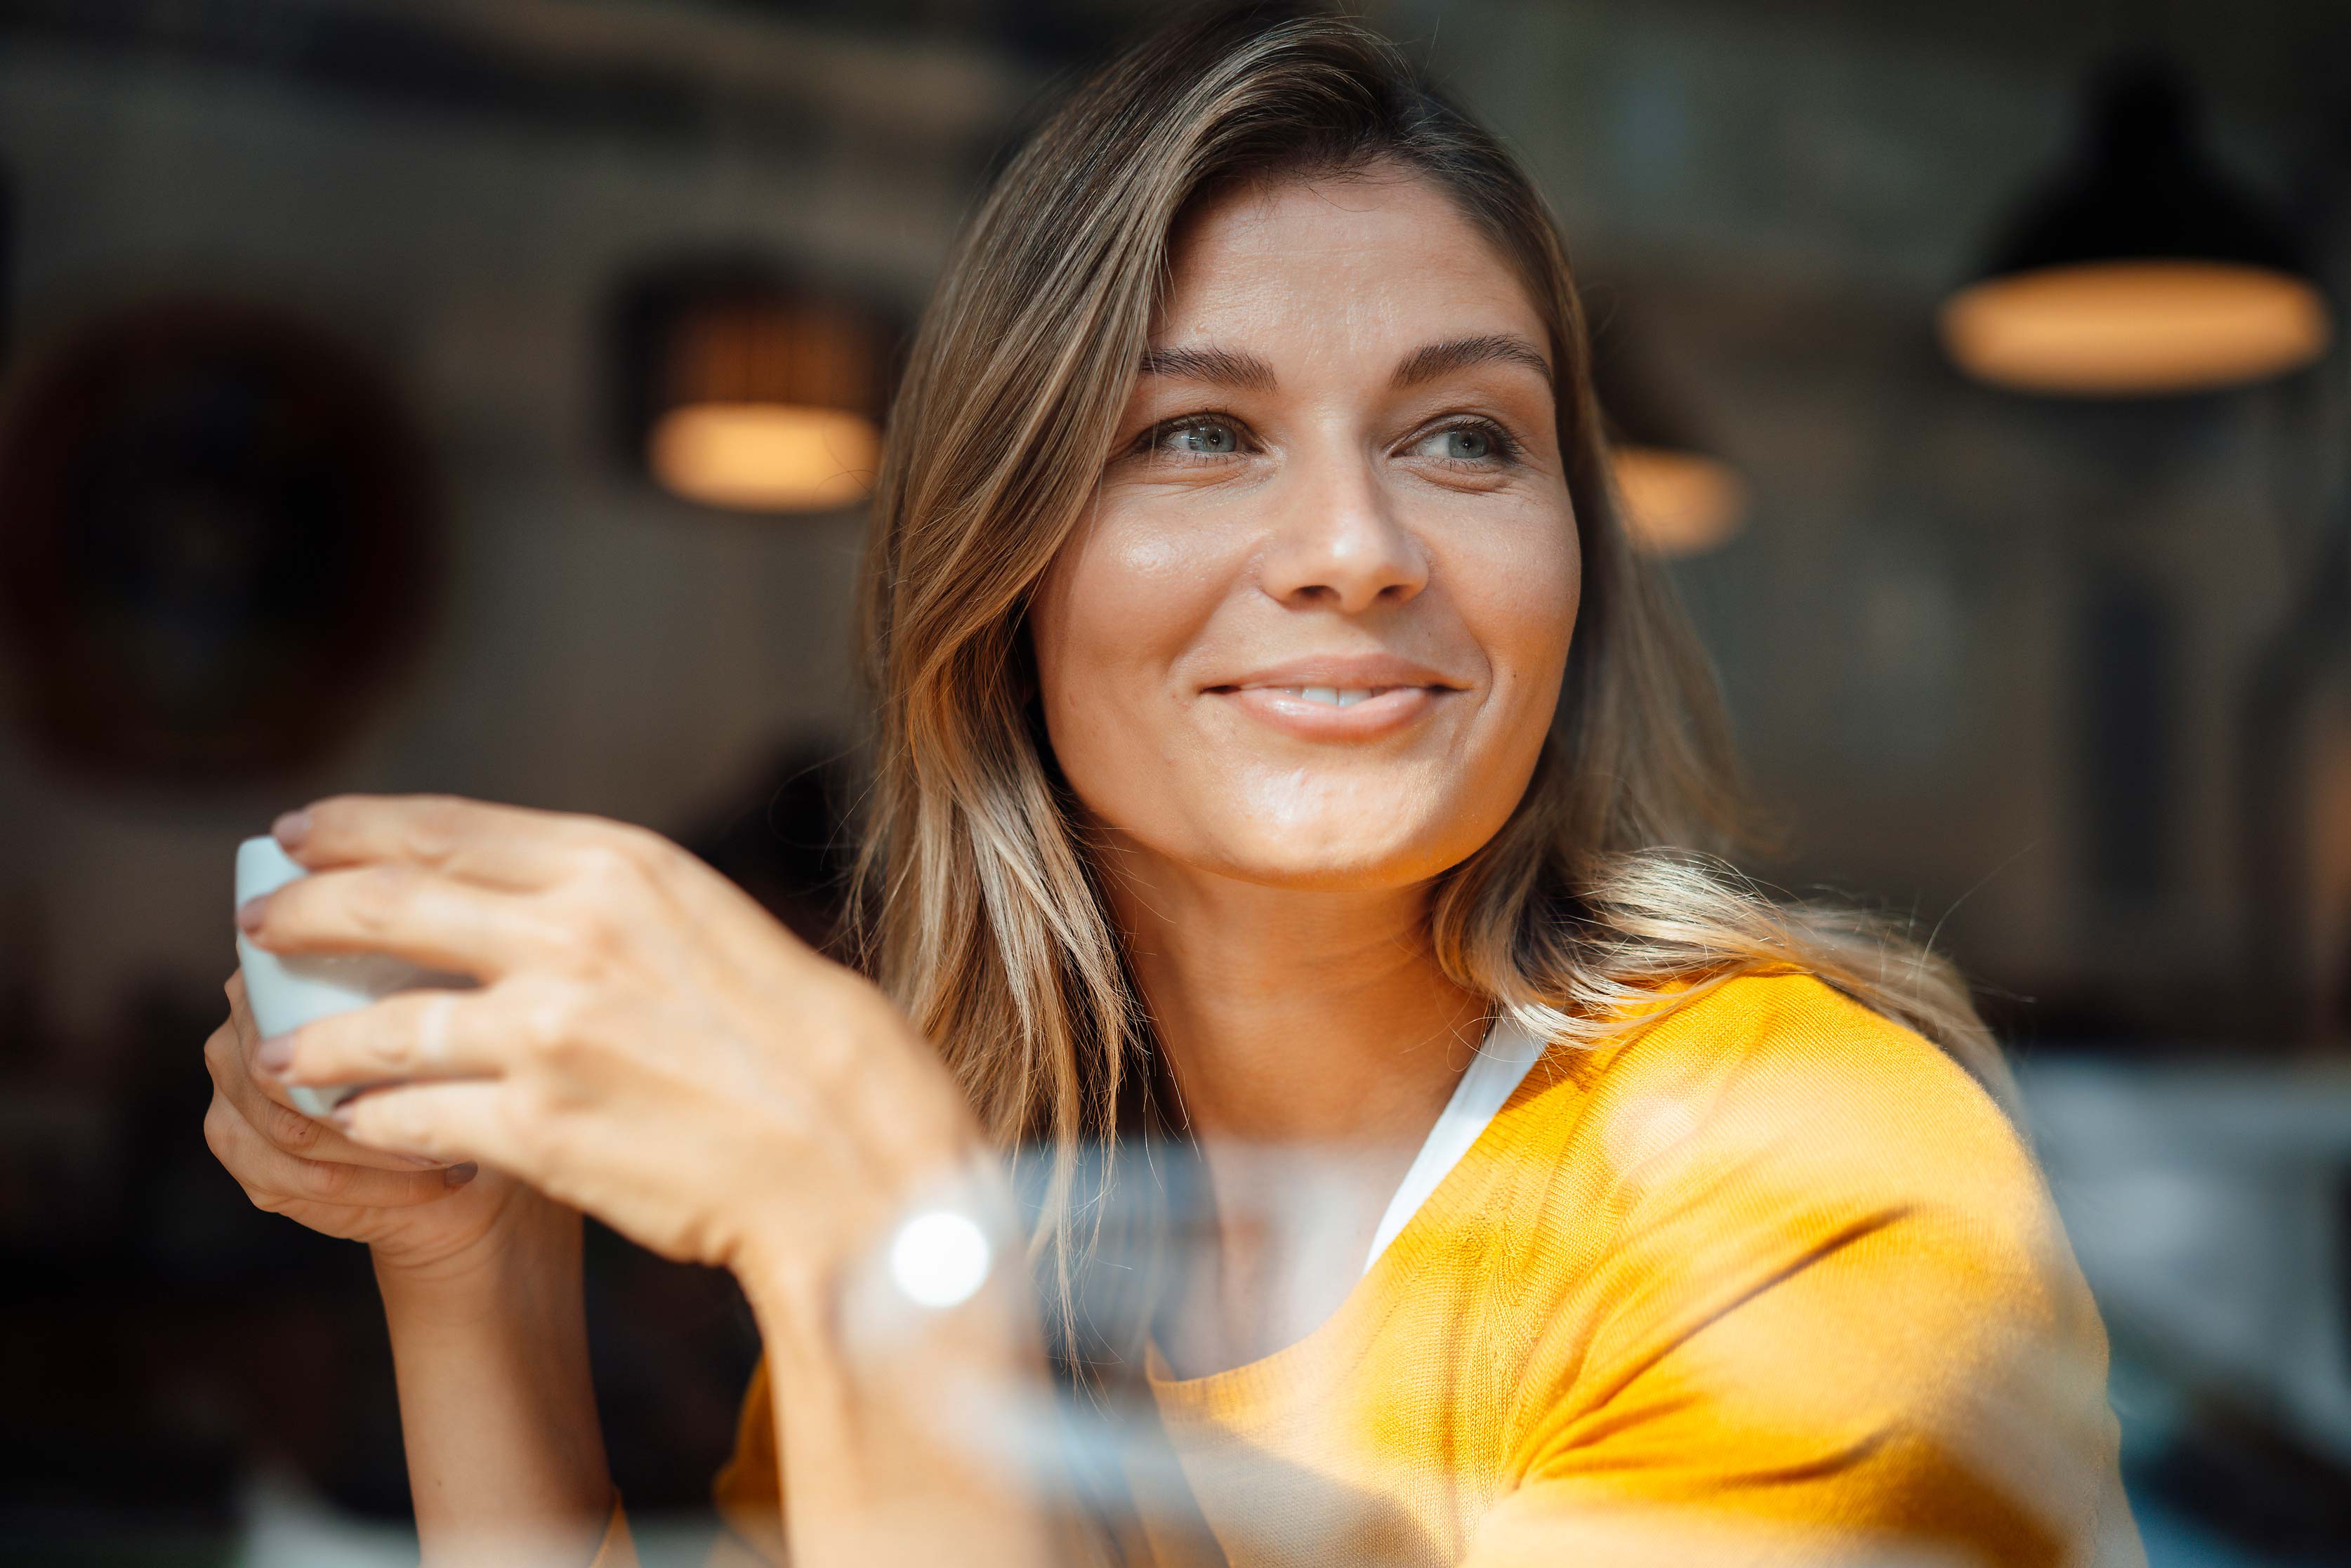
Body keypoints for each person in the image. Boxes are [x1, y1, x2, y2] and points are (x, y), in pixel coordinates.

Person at [201, 7, 2143, 1565]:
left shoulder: (1800, 1177)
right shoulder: (998, 1216)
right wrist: (469, 1270)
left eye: (1464, 435)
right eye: (1200, 432)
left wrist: (867, 1224)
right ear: (1006, 564)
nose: (1353, 547)